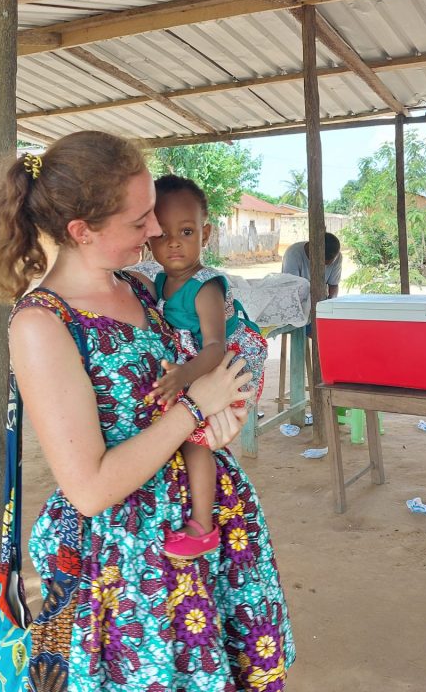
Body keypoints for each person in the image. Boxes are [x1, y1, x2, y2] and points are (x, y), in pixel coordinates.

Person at [0, 132, 295, 690]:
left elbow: (205, 373)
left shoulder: (141, 287)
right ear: (82, 230)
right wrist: (197, 408)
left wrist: (221, 420)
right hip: (131, 560)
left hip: (202, 528)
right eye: (139, 221)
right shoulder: (43, 323)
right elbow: (89, 489)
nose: (155, 230)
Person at [131, 174, 267, 561]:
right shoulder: (161, 280)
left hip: (221, 370)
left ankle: (202, 526)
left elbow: (214, 347)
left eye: (187, 232)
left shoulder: (206, 286)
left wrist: (183, 377)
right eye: (163, 234)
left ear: (205, 234)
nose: (174, 242)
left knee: (195, 444)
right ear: (149, 238)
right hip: (197, 372)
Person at [281, 232, 342, 299]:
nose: (323, 267)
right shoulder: (292, 254)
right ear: (314, 253)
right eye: (322, 263)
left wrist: (330, 302)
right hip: (297, 299)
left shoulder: (337, 256)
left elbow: (333, 285)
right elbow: (291, 288)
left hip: (321, 300)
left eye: (327, 264)